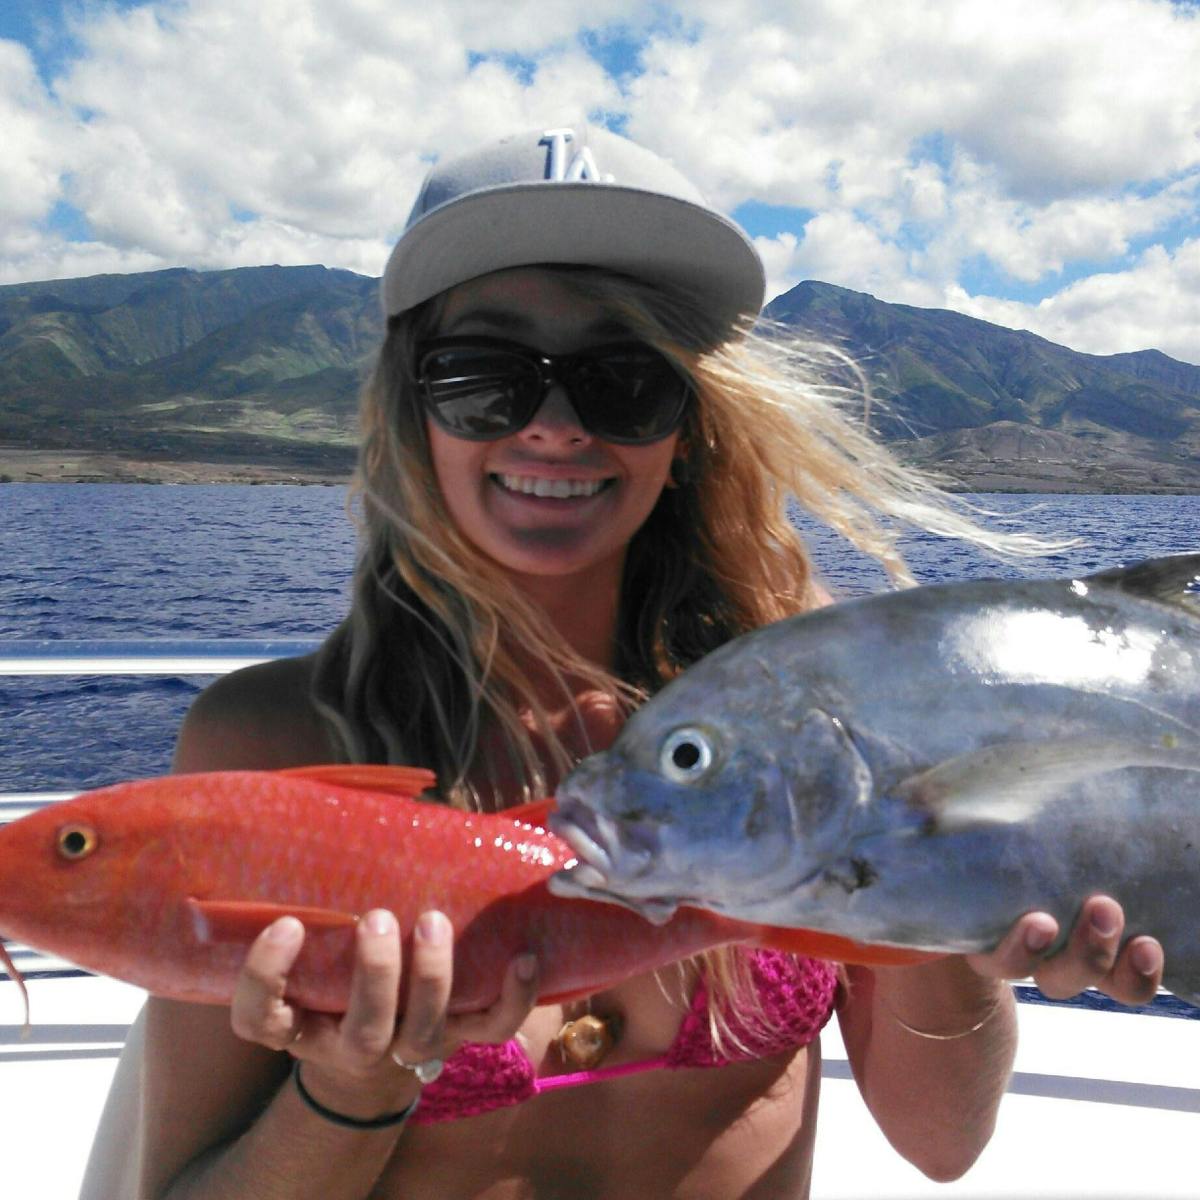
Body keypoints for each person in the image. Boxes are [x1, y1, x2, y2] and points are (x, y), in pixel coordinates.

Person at [83, 124, 1165, 1200]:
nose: (554, 427)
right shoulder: (272, 747)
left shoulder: (813, 715)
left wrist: (962, 920)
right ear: (415, 412)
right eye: (484, 378)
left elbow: (941, 1141)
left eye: (621, 381)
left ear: (686, 426)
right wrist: (353, 1086)